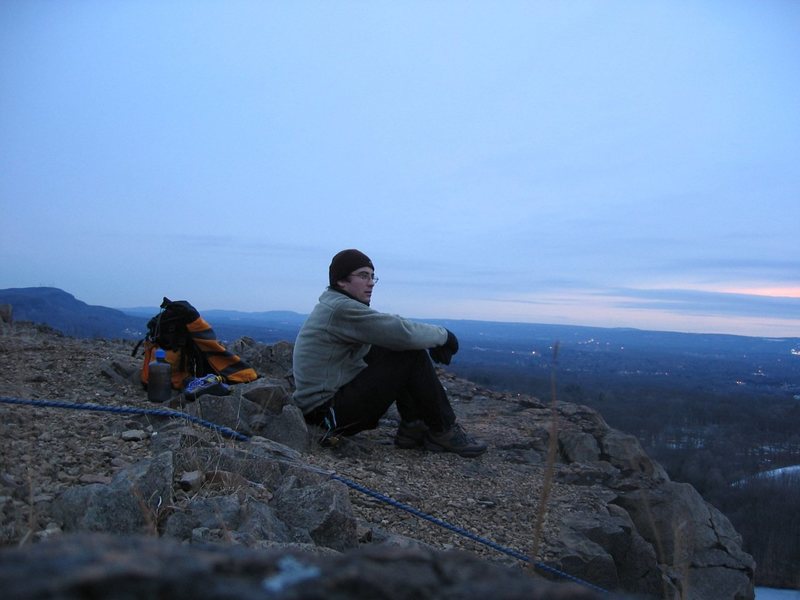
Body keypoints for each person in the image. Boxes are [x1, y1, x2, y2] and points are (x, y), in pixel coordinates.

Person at [292, 249, 487, 458]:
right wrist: (444, 336)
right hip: (326, 415)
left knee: (394, 347)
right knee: (408, 353)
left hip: (323, 410)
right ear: (341, 281)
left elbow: (390, 333)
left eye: (372, 276)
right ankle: (443, 430)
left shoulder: (336, 306)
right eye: (363, 275)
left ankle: (413, 427)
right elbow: (399, 332)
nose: (371, 282)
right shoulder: (340, 310)